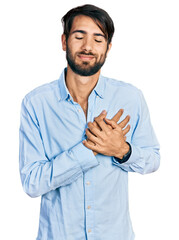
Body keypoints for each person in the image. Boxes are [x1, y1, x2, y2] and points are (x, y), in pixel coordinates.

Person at [19, 4, 160, 240]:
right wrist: (87, 149)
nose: (88, 47)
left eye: (98, 39)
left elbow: (153, 159)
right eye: (79, 36)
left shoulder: (130, 97)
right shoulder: (36, 103)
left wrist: (122, 150)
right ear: (64, 42)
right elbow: (32, 182)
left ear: (108, 47)